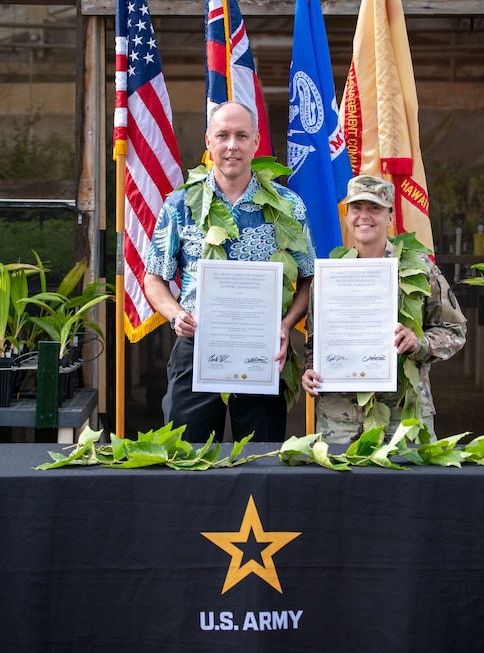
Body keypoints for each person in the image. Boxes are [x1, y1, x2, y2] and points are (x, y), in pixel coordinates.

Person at [144, 101, 315, 443]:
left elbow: (309, 277)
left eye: (241, 136)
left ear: (256, 142)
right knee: (184, 456)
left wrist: (284, 325)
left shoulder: (287, 206)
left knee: (260, 461)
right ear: (208, 141)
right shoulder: (181, 205)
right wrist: (176, 315)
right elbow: (153, 278)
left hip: (263, 351)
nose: (232, 145)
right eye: (222, 135)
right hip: (196, 347)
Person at [301, 174, 467, 443]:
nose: (363, 216)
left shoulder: (419, 269)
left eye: (374, 208)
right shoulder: (330, 274)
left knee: (408, 486)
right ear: (347, 216)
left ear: (390, 217)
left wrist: (419, 342)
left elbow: (454, 329)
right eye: (356, 208)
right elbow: (315, 343)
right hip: (339, 420)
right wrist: (310, 370)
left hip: (403, 416)